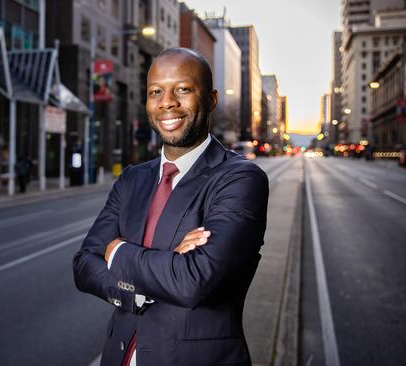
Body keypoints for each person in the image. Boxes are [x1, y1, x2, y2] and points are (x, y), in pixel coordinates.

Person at [73, 48, 269, 366]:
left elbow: (193, 281)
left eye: (183, 89)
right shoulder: (132, 179)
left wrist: (118, 252)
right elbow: (83, 265)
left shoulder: (241, 179)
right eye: (156, 92)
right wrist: (147, 280)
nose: (167, 102)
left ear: (212, 99)